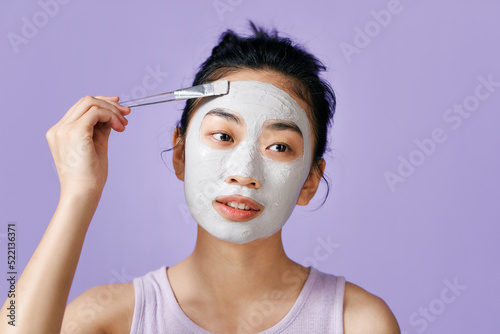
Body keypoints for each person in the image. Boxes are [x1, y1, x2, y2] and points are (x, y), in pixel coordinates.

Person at [0, 23, 400, 334]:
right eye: (223, 136)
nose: (245, 173)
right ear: (181, 154)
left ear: (310, 181)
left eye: (279, 147)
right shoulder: (109, 317)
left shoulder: (357, 322)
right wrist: (77, 193)